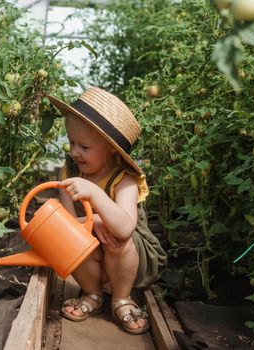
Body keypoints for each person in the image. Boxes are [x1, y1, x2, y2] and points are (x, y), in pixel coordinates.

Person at [47, 87, 167, 335]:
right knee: (69, 239)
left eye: (84, 146)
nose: (74, 152)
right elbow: (68, 225)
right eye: (71, 142)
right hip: (92, 257)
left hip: (132, 259)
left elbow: (124, 227)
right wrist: (93, 222)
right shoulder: (69, 174)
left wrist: (97, 199)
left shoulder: (125, 180)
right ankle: (92, 292)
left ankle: (121, 298)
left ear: (111, 148)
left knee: (118, 240)